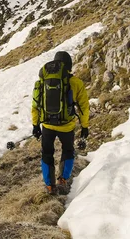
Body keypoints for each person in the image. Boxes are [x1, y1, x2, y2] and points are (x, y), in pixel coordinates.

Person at [31, 51, 89, 195]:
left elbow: (35, 105)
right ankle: (62, 180)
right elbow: (83, 107)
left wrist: (35, 125)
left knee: (47, 153)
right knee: (68, 151)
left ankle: (50, 186)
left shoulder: (42, 82)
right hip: (67, 126)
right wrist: (85, 126)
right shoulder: (76, 83)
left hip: (47, 125)